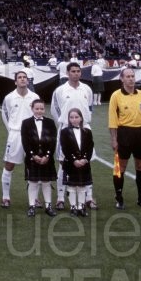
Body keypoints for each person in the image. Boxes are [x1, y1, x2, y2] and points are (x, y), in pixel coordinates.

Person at [50, 62, 94, 210]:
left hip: (84, 128)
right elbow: (55, 110)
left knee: (86, 161)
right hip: (66, 129)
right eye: (73, 71)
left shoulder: (86, 89)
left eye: (78, 71)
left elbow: (90, 108)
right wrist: (64, 124)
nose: (76, 73)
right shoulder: (60, 90)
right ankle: (61, 198)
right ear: (68, 73)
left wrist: (83, 123)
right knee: (63, 163)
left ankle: (88, 197)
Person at [108, 67, 141, 210]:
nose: (131, 78)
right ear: (122, 79)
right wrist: (114, 139)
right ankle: (119, 198)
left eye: (132, 76)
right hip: (124, 134)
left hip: (140, 134)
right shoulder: (116, 95)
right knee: (120, 167)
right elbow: (113, 119)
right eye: (127, 76)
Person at [0, 70, 38, 208]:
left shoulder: (34, 96)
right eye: (19, 78)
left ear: (28, 81)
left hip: (32, 136)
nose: (22, 79)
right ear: (15, 81)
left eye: (24, 77)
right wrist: (11, 130)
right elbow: (5, 115)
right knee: (9, 165)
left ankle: (34, 198)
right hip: (15, 134)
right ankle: (5, 196)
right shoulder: (9, 97)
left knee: (34, 165)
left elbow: (38, 114)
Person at [21, 99, 58, 217]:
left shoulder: (50, 122)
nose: (39, 111)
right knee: (33, 182)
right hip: (32, 158)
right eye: (36, 108)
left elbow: (53, 140)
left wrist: (47, 155)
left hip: (47, 158)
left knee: (47, 182)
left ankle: (48, 206)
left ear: (44, 109)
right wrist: (33, 155)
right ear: (32, 109)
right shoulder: (26, 123)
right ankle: (32, 206)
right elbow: (25, 141)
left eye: (41, 108)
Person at [59, 108, 94, 217]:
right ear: (68, 119)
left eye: (76, 117)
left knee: (82, 186)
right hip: (70, 163)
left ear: (81, 118)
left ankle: (81, 206)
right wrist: (74, 160)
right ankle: (73, 207)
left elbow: (90, 147)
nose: (74, 119)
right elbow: (65, 148)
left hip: (84, 163)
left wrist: (85, 159)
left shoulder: (87, 131)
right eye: (71, 117)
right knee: (72, 186)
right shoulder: (64, 132)